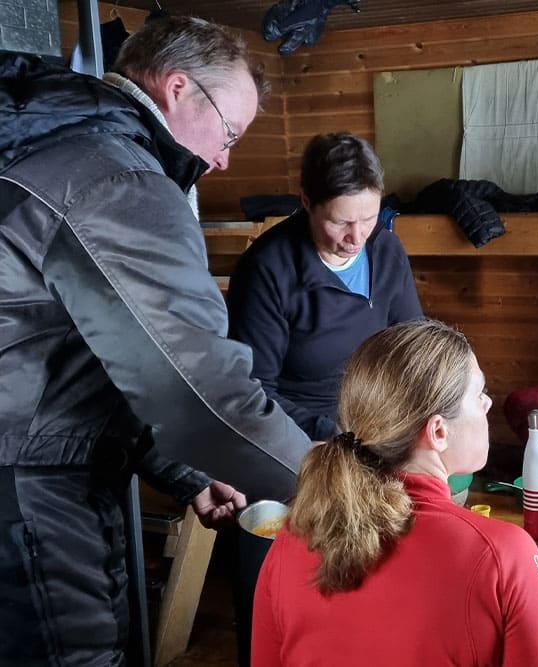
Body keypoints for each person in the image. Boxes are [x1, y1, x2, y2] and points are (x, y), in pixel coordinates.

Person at [0, 17, 312, 664]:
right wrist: (336, 493)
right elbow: (201, 390)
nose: (224, 158)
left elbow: (89, 355)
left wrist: (184, 469)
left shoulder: (53, 142)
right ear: (177, 88)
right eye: (230, 134)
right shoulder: (117, 179)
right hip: (33, 496)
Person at [251, 320, 538, 666]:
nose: (488, 404)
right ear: (438, 431)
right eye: (479, 394)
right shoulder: (503, 554)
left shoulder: (292, 537)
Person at [227, 132, 424, 440]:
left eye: (369, 218)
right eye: (340, 222)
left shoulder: (385, 249)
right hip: (303, 433)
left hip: (375, 419)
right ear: (307, 202)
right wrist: (337, 436)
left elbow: (415, 342)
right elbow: (254, 390)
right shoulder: (267, 270)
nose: (357, 237)